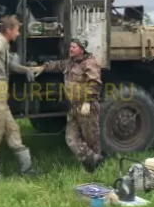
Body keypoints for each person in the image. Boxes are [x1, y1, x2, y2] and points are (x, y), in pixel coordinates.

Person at [31, 38, 104, 172]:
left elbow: (95, 83)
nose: (71, 49)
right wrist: (43, 67)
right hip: (73, 107)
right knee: (71, 139)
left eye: (74, 47)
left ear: (81, 49)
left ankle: (94, 169)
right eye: (70, 47)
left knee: (91, 138)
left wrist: (87, 102)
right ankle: (94, 160)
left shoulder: (89, 63)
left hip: (86, 107)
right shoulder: (70, 63)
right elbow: (57, 65)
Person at [0, 15, 37, 178]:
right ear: (9, 30)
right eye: (17, 30)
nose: (18, 34)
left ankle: (26, 169)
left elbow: (10, 64)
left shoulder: (4, 44)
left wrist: (25, 70)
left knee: (13, 129)